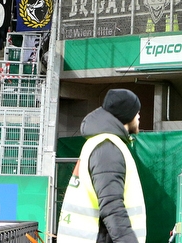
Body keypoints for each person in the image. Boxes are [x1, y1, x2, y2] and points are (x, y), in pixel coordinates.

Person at [56, 89, 145, 243]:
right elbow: (112, 206)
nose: (138, 116)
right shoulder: (108, 148)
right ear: (126, 115)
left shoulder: (100, 143)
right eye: (136, 112)